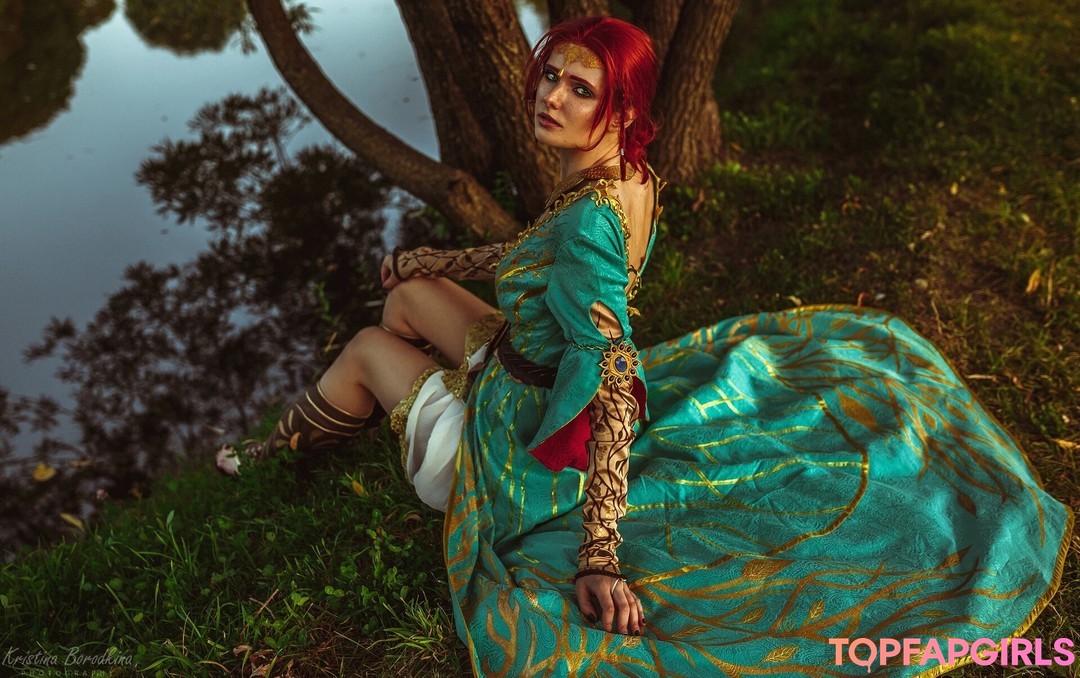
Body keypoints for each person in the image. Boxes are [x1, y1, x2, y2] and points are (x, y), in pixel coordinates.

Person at [219, 16, 1072, 676]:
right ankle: (398, 390)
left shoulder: (589, 220)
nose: (550, 96)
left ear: (621, 108)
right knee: (406, 296)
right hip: (530, 362)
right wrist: (427, 262)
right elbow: (530, 254)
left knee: (369, 343)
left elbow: (613, 374)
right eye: (550, 75)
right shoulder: (625, 177)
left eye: (578, 89)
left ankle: (269, 458)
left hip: (521, 443)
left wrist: (598, 554)